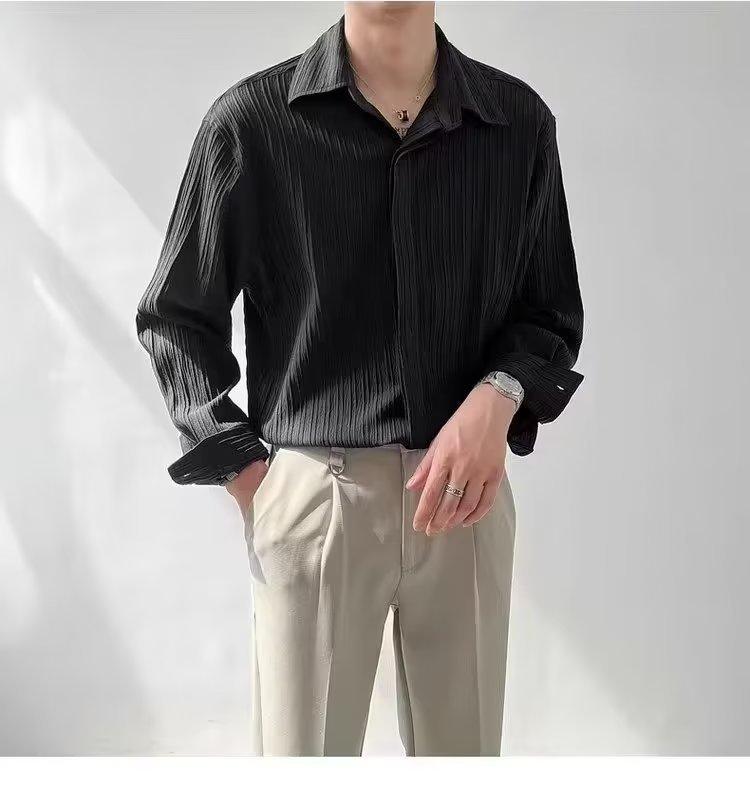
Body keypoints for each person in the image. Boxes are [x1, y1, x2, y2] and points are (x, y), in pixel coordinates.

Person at [135, 1, 584, 756]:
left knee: (466, 762)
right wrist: (251, 475)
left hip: (467, 498)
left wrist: (497, 398)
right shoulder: (252, 124)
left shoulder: (517, 123)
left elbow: (549, 313)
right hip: (318, 495)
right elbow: (175, 317)